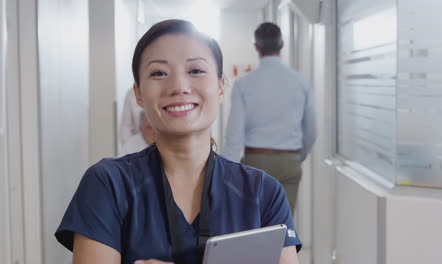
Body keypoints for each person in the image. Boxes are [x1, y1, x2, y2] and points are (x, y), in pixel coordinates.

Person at [55, 19, 301, 264]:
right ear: (138, 93)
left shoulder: (263, 193)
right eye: (158, 73)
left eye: (195, 70)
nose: (179, 86)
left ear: (220, 86)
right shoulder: (108, 184)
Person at [222, 22, 317, 213]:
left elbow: (234, 134)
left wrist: (226, 174)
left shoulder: (243, 84)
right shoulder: (300, 82)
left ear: (256, 48)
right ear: (281, 45)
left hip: (256, 163)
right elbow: (312, 131)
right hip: (289, 160)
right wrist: (297, 157)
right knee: (284, 226)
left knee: (253, 225)